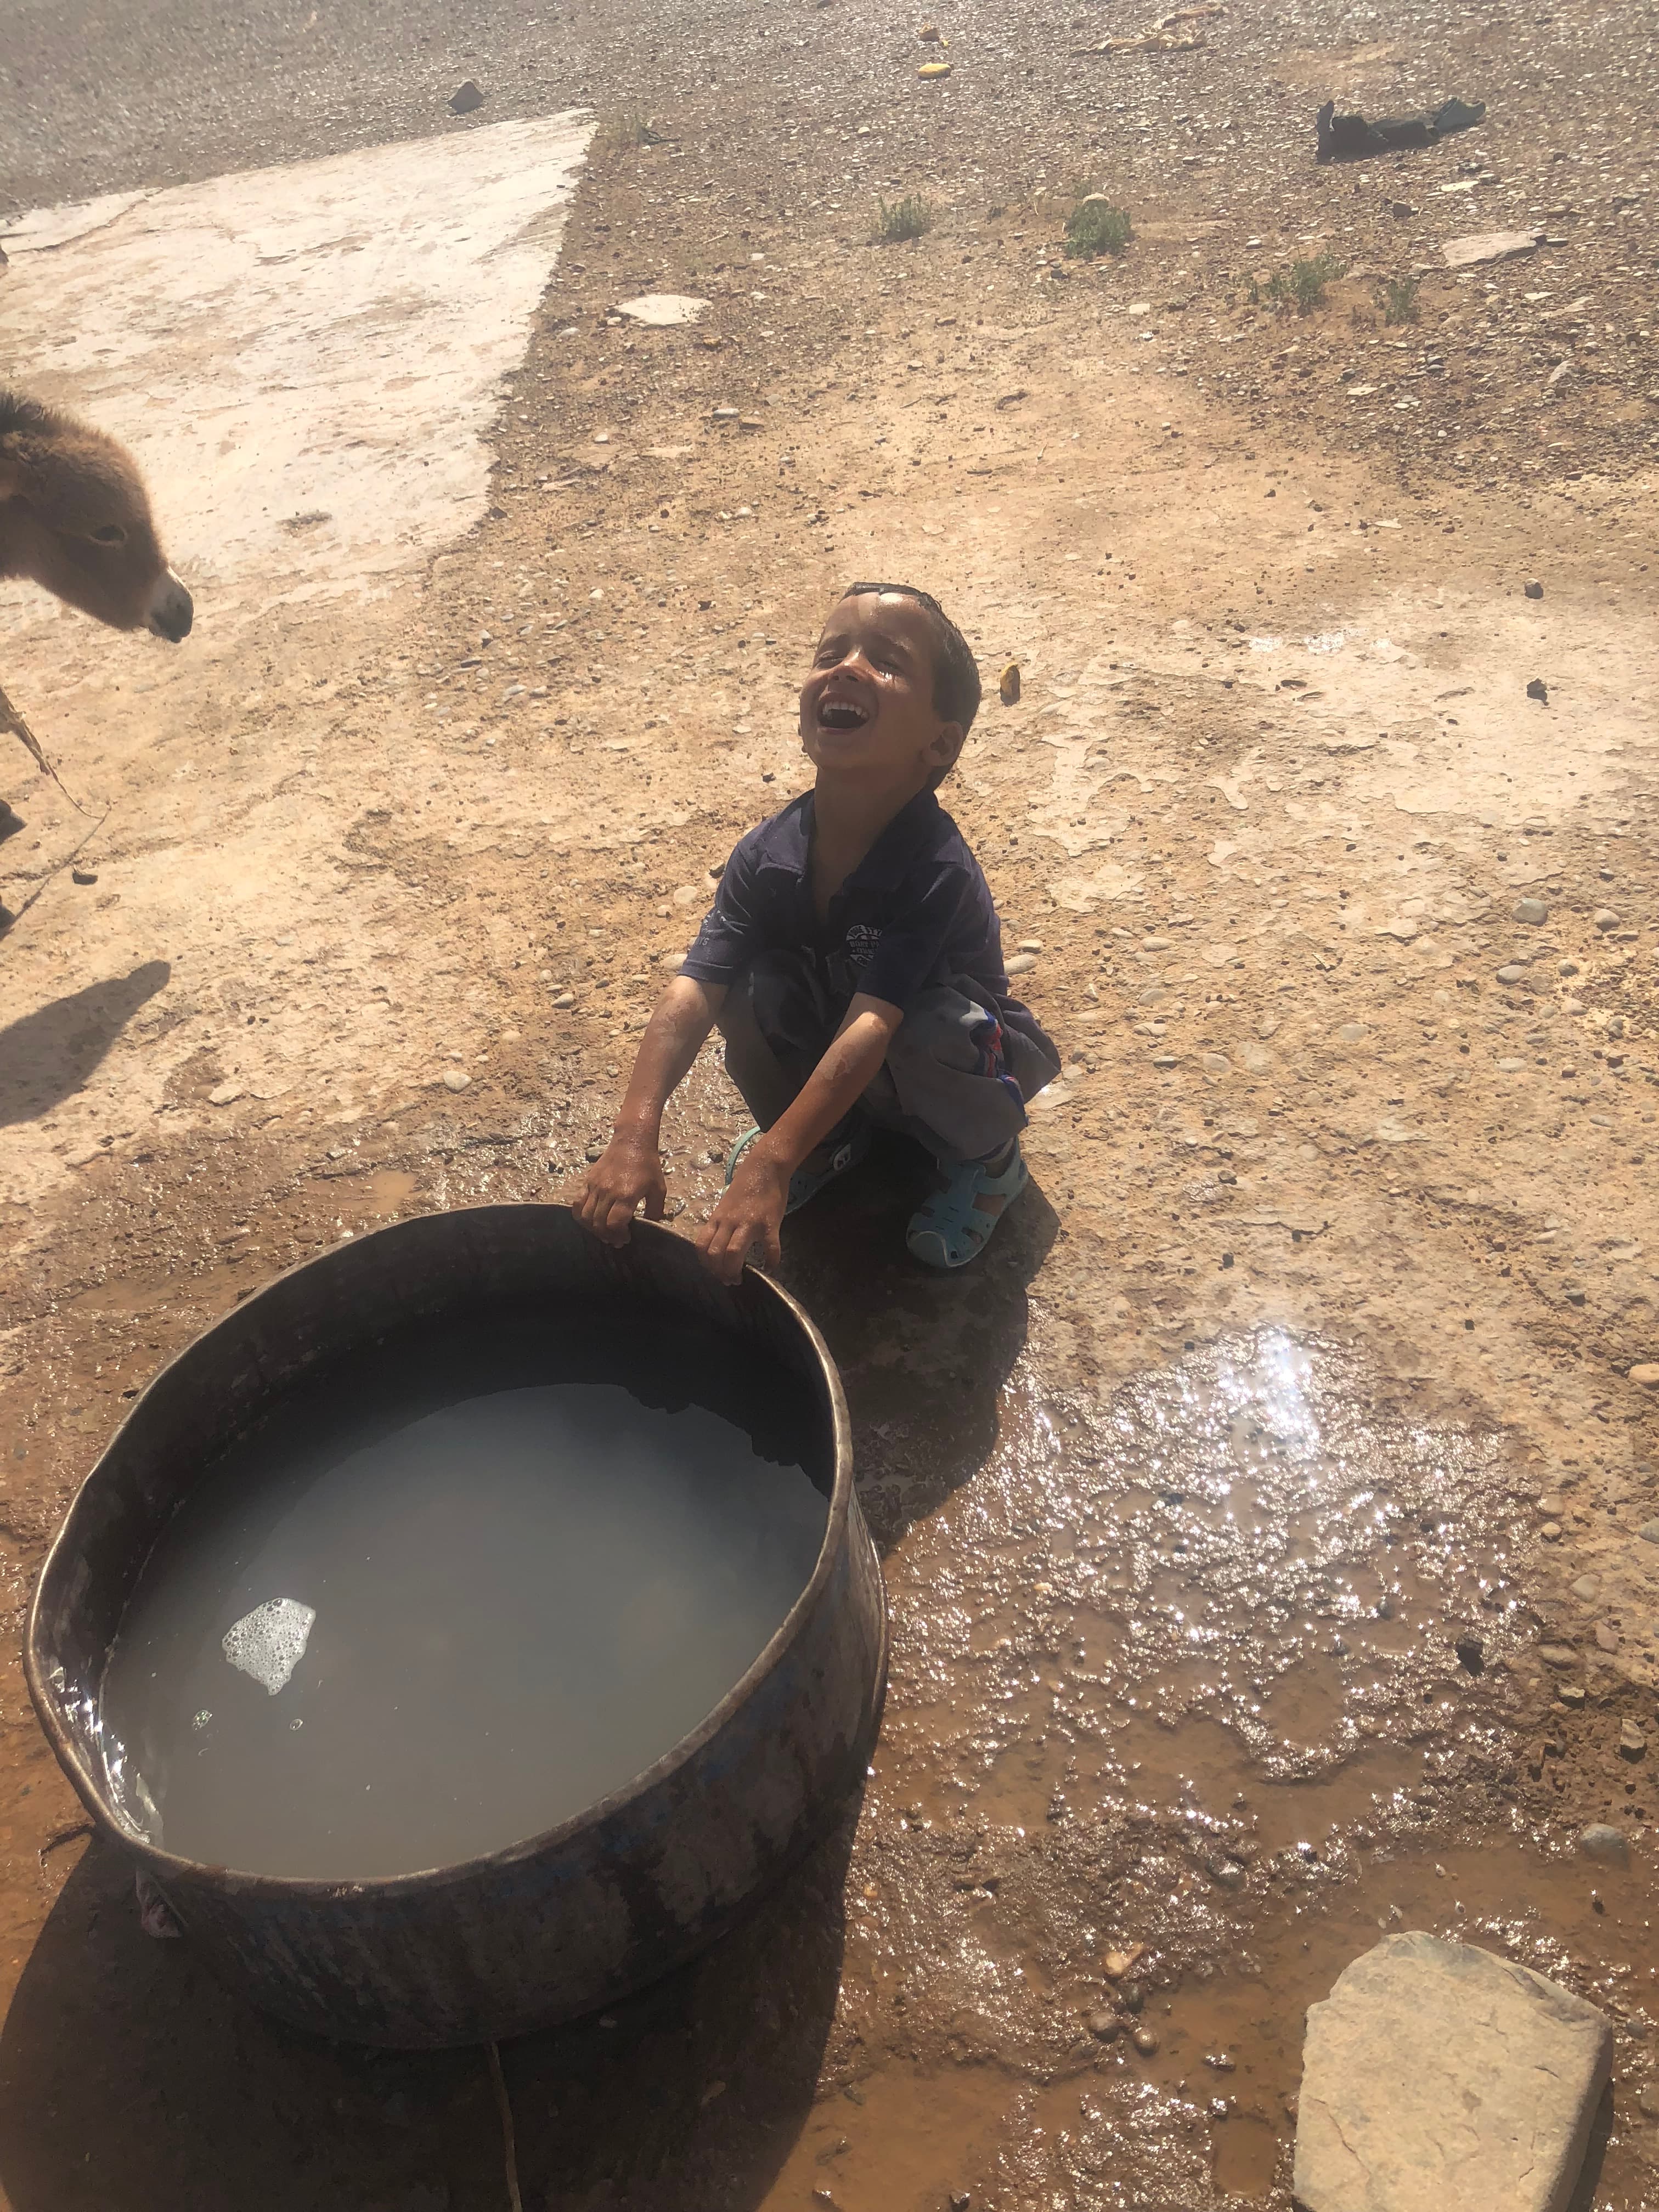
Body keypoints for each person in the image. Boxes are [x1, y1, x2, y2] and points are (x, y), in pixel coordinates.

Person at [574, 582, 1060, 1284]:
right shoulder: (767, 855)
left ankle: (989, 1163)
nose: (846, 667)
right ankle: (833, 1140)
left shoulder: (932, 865)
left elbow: (872, 1026)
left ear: (939, 743)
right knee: (745, 987)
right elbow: (693, 991)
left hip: (943, 1056)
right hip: (857, 1049)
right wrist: (632, 1135)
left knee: (930, 1023)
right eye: (831, 652)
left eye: (886, 662)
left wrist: (770, 1160)